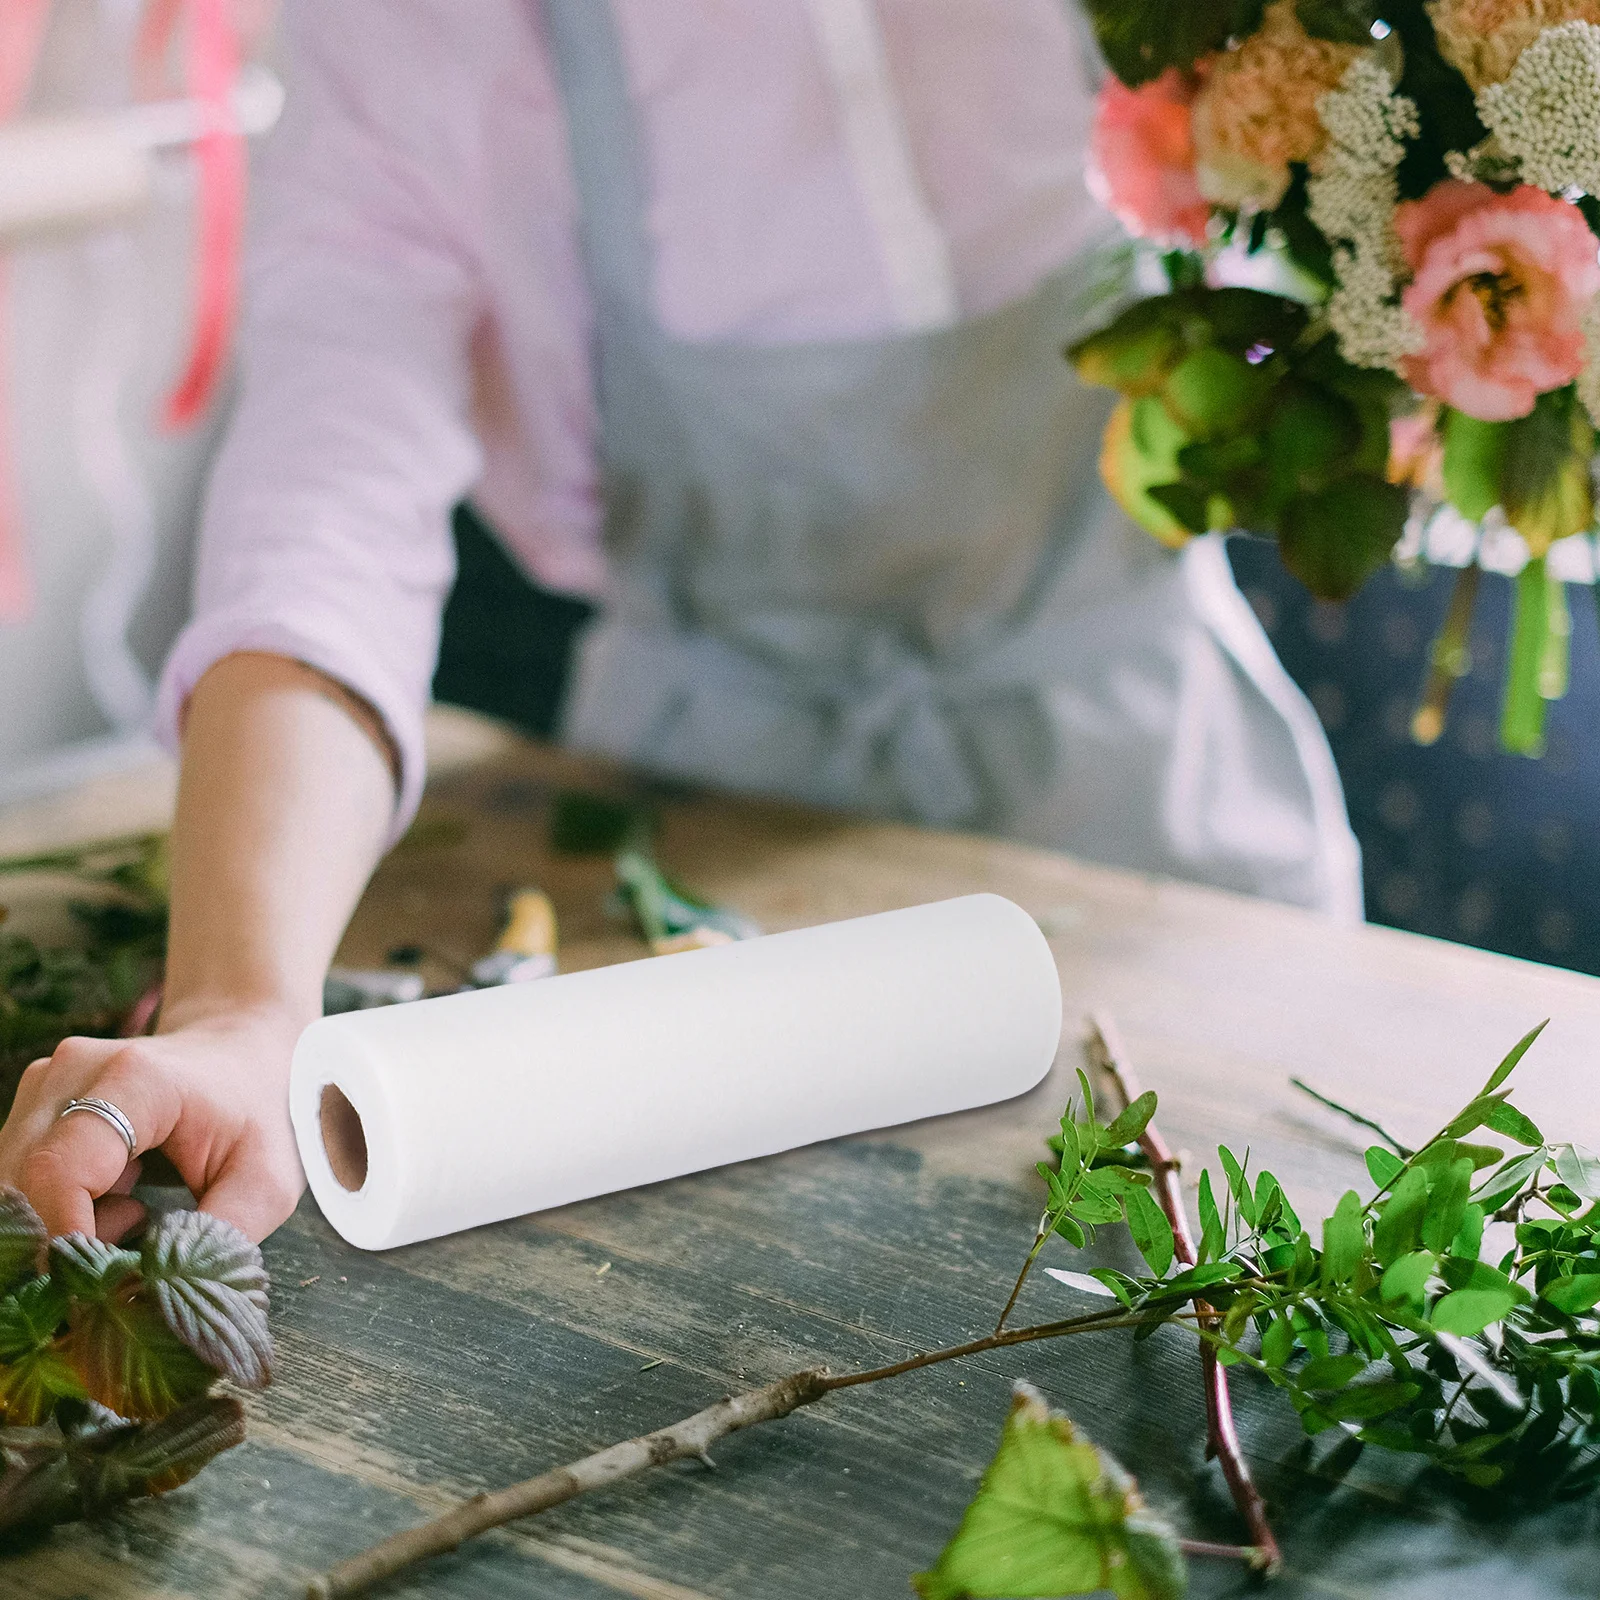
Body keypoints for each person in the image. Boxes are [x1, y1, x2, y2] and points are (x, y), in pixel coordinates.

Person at [0, 0, 1361, 1244]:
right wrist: (240, 1008)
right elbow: (326, 514)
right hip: (693, 881)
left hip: (1169, 827)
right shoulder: (415, 28)